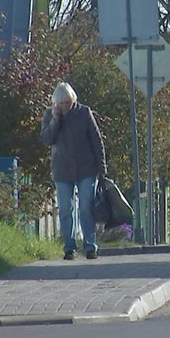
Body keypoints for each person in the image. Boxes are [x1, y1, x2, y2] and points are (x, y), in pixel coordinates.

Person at [40, 82, 107, 260]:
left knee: (86, 207)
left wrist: (102, 166)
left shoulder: (84, 113)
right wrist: (56, 120)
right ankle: (69, 247)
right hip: (62, 170)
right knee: (65, 209)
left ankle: (90, 246)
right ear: (56, 103)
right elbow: (47, 139)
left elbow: (96, 139)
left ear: (73, 100)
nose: (65, 106)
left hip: (86, 168)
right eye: (61, 103)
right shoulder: (49, 115)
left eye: (68, 102)